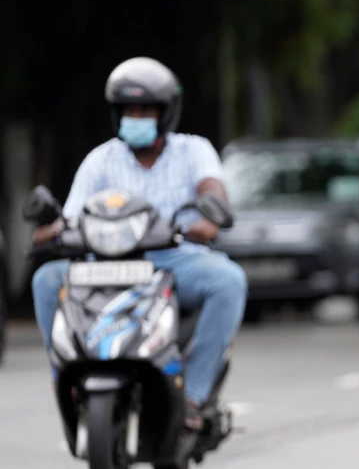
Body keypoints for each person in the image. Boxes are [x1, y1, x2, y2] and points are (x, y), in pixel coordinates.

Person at [31, 56, 248, 430]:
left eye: (146, 109)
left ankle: (193, 396)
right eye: (129, 109)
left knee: (227, 280)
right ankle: (68, 377)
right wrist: (52, 232)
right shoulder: (101, 160)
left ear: (165, 113)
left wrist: (206, 220)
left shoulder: (193, 151)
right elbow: (70, 216)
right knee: (47, 281)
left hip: (174, 260)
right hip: (106, 265)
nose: (137, 116)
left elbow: (213, 196)